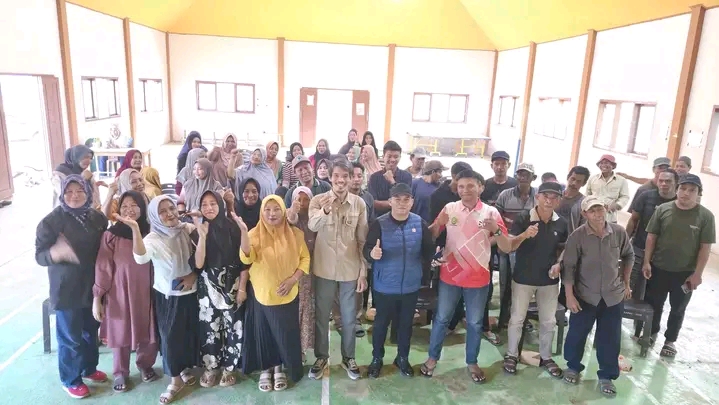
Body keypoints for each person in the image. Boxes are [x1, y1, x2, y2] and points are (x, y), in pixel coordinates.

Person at [420, 170, 511, 384]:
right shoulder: (450, 208)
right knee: (441, 319)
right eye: (461, 186)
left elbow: (506, 246)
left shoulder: (491, 213)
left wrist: (496, 230)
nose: (465, 190)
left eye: (470, 186)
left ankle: (472, 362)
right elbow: (432, 234)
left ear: (481, 187)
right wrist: (434, 228)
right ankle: (432, 358)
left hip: (478, 279)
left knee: (475, 322)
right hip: (450, 276)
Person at [36, 174, 109, 399]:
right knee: (70, 337)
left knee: (90, 331)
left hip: (92, 286)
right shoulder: (51, 222)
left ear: (88, 192)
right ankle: (71, 379)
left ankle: (89, 368)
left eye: (79, 191)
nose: (74, 196)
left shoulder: (97, 218)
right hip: (66, 289)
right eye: (69, 191)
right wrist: (55, 253)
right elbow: (39, 256)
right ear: (61, 193)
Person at [123, 196, 200, 404]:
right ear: (155, 217)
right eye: (163, 211)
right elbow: (141, 258)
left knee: (187, 334)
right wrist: (135, 230)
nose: (170, 214)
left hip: (192, 292)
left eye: (171, 208)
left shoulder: (187, 229)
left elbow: (205, 253)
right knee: (170, 338)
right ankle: (175, 381)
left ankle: (183, 368)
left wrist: (194, 274)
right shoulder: (153, 238)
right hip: (168, 296)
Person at [235, 195, 310, 392]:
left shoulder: (296, 234)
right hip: (262, 295)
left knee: (284, 334)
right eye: (267, 209)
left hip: (288, 295)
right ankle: (266, 370)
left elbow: (305, 259)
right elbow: (246, 257)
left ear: (284, 211)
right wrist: (243, 232)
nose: (272, 214)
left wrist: (293, 279)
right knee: (265, 334)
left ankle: (279, 369)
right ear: (262, 212)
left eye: (276, 209)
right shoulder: (253, 234)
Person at [561, 196, 634, 398]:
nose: (597, 214)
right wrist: (569, 296)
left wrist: (626, 282)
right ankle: (573, 367)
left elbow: (629, 255)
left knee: (610, 338)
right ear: (584, 214)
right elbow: (568, 268)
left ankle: (606, 376)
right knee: (577, 334)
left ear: (606, 209)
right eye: (592, 211)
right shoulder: (577, 236)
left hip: (613, 296)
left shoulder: (618, 232)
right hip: (585, 295)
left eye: (600, 209)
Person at [364, 183, 435, 378]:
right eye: (397, 199)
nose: (402, 203)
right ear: (390, 201)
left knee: (405, 325)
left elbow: (428, 251)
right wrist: (372, 254)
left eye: (406, 199)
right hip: (384, 286)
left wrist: (434, 259)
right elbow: (367, 250)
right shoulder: (379, 224)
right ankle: (377, 358)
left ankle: (402, 358)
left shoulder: (420, 223)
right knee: (380, 325)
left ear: (412, 202)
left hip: (410, 286)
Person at [307, 159, 369, 381]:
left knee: (349, 317)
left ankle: (348, 357)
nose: (340, 180)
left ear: (351, 178)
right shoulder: (318, 200)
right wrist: (325, 210)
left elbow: (362, 240)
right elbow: (312, 226)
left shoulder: (359, 204)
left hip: (350, 270)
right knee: (322, 316)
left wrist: (363, 271)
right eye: (336, 176)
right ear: (330, 177)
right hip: (323, 269)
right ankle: (321, 357)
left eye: (345, 176)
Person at [642, 174, 715, 358]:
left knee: (678, 308)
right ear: (677, 190)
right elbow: (651, 237)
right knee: (654, 304)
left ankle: (670, 341)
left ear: (699, 193)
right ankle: (650, 334)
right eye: (683, 188)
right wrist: (647, 262)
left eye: (692, 190)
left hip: (685, 273)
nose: (686, 193)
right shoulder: (663, 209)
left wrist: (697, 274)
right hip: (659, 268)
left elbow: (705, 248)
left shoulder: (706, 216)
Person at [93, 191, 158, 393]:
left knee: (148, 328)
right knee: (120, 329)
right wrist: (98, 297)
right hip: (119, 292)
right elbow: (103, 267)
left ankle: (145, 364)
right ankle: (120, 371)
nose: (129, 210)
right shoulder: (111, 235)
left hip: (148, 291)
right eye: (124, 206)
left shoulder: (152, 232)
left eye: (134, 205)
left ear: (143, 207)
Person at [502, 182, 567, 378]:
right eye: (545, 196)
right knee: (517, 319)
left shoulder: (561, 223)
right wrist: (525, 234)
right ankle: (511, 355)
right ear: (537, 197)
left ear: (559, 201)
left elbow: (564, 248)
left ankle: (546, 357)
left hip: (549, 280)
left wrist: (559, 264)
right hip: (523, 278)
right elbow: (509, 246)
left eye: (554, 197)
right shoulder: (523, 218)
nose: (549, 200)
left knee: (548, 321)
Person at [190, 191, 248, 388]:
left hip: (232, 286)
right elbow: (198, 264)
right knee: (210, 329)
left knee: (234, 328)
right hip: (207, 288)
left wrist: (242, 288)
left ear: (220, 205)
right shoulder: (197, 231)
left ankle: (230, 368)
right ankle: (211, 367)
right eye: (204, 204)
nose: (209, 208)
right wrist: (202, 237)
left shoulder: (233, 228)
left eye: (213, 203)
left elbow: (245, 261)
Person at [428, 161, 472, 333]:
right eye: (461, 182)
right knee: (442, 287)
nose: (465, 188)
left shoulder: (468, 196)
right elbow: (435, 225)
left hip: (465, 246)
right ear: (453, 177)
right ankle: (439, 322)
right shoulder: (438, 196)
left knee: (462, 283)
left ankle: (455, 320)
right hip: (444, 246)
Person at [494, 162, 538, 332]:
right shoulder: (505, 195)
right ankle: (504, 318)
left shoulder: (538, 197)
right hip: (507, 247)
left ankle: (521, 319)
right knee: (505, 284)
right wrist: (501, 241)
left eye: (526, 174)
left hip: (529, 250)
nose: (522, 177)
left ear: (533, 177)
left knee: (524, 286)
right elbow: (497, 220)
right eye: (520, 174)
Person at [625, 169, 678, 304]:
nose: (664, 184)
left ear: (676, 183)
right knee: (630, 284)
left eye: (668, 181)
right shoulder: (646, 196)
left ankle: (646, 316)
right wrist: (624, 242)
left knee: (653, 290)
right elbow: (633, 220)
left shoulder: (679, 203)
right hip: (639, 247)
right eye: (661, 181)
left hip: (662, 255)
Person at [285, 186, 317, 363]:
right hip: (290, 270)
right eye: (299, 199)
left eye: (306, 200)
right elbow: (291, 219)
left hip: (309, 271)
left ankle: (301, 349)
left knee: (305, 310)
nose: (303, 203)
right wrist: (293, 210)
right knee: (292, 310)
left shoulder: (314, 219)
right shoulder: (290, 217)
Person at [369, 141, 413, 217]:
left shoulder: (407, 176)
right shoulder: (374, 177)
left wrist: (393, 182)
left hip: (401, 218)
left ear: (400, 157)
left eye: (396, 157)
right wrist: (397, 203)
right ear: (383, 157)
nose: (392, 160)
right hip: (379, 219)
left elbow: (406, 202)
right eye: (389, 156)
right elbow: (373, 203)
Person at [51, 145, 100, 210]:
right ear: (75, 157)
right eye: (85, 157)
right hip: (65, 213)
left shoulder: (86, 173)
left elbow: (95, 198)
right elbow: (65, 196)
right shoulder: (60, 174)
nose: (89, 161)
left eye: (90, 158)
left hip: (87, 213)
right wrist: (82, 179)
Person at [585, 154, 630, 224]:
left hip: (610, 218)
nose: (603, 165)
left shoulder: (622, 180)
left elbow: (625, 197)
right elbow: (587, 195)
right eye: (601, 163)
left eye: (606, 163)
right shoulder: (593, 179)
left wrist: (617, 205)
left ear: (613, 165)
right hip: (593, 217)